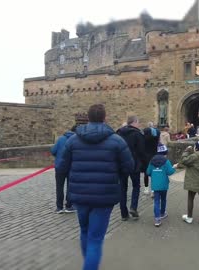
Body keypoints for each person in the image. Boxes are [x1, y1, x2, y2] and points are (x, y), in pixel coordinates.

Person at [56, 104, 134, 270]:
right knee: (96, 238)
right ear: (105, 118)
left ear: (88, 118)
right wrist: (116, 174)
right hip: (104, 195)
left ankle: (88, 263)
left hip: (80, 194)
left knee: (85, 232)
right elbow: (129, 166)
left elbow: (61, 167)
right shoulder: (117, 141)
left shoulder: (73, 140)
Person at [117, 115, 145, 220]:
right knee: (136, 186)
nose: (139, 124)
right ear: (134, 122)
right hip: (134, 164)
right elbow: (142, 151)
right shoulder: (137, 134)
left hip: (121, 164)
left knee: (122, 188)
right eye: (138, 122)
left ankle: (124, 214)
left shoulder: (118, 133)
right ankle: (133, 207)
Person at [177, 138, 199, 228]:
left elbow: (184, 160)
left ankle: (189, 217)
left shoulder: (194, 156)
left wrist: (186, 151)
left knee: (190, 199)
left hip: (193, 181)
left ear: (197, 147)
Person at [146, 143, 176, 227]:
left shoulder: (152, 161)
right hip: (164, 185)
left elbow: (148, 172)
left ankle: (157, 219)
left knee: (156, 201)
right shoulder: (166, 161)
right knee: (163, 199)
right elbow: (170, 172)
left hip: (155, 185)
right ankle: (162, 213)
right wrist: (174, 167)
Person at [50, 126, 76, 214]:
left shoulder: (61, 139)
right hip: (71, 167)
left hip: (60, 166)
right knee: (70, 187)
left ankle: (59, 207)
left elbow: (53, 151)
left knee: (59, 187)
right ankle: (69, 206)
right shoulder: (76, 140)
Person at [142, 122, 160, 195]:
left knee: (146, 173)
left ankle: (146, 189)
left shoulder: (145, 134)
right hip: (154, 155)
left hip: (146, 155)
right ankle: (153, 189)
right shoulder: (157, 133)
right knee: (154, 173)